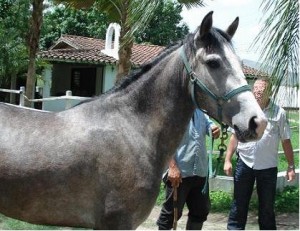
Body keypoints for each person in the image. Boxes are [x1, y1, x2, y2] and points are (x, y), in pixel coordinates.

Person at [223, 78, 296, 230]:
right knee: (239, 204)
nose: (256, 93)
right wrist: (227, 160)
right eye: (254, 89)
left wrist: (290, 166)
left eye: (260, 90)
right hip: (244, 164)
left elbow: (286, 141)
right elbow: (234, 136)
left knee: (267, 208)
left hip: (268, 168)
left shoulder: (279, 113)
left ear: (269, 92)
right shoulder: (244, 110)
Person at [157, 108, 220, 230]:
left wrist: (214, 130)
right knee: (171, 214)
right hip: (179, 173)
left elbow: (209, 125)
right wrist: (172, 167)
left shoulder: (200, 111)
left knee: (200, 212)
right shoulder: (173, 110)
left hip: (200, 171)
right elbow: (163, 140)